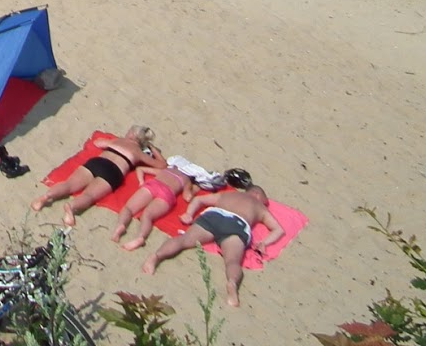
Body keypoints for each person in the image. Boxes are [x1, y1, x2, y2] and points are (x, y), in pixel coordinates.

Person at [141, 176, 284, 307]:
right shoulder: (260, 207)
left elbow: (199, 200)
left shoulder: (228, 195)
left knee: (184, 240)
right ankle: (232, 284)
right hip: (237, 225)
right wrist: (264, 243)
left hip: (215, 216)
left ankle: (156, 257)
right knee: (232, 261)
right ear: (258, 195)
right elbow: (278, 229)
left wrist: (189, 214)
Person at [31, 126, 161, 226]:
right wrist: (153, 149)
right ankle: (71, 208)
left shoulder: (117, 141)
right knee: (89, 196)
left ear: (131, 134)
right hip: (114, 171)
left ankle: (45, 197)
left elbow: (98, 143)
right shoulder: (139, 153)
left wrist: (111, 143)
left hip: (98, 162)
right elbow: (162, 165)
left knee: (69, 184)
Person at [111, 160, 194, 250]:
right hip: (167, 193)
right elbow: (187, 197)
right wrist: (192, 189)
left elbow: (140, 169)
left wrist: (141, 181)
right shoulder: (186, 180)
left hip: (153, 185)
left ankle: (120, 226)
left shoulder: (166, 170)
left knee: (128, 208)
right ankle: (140, 237)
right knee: (147, 216)